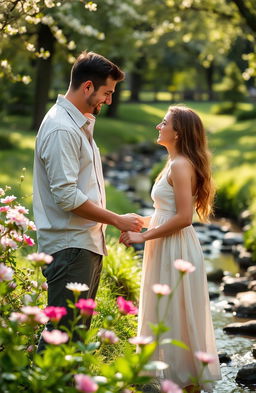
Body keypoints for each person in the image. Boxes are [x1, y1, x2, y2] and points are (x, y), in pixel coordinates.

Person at [33, 51, 143, 351]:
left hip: (83, 245)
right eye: (106, 93)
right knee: (61, 340)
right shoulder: (61, 128)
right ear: (88, 87)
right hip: (70, 247)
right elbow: (66, 195)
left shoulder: (78, 123)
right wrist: (117, 220)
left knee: (72, 339)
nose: (108, 101)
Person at [119, 106, 221, 392]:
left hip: (176, 248)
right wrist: (140, 222)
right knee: (167, 313)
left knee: (176, 315)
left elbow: (184, 217)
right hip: (167, 243)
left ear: (177, 133)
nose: (158, 126)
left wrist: (143, 237)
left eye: (163, 123)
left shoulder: (180, 165)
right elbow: (169, 211)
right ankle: (171, 380)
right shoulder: (174, 162)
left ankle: (183, 382)